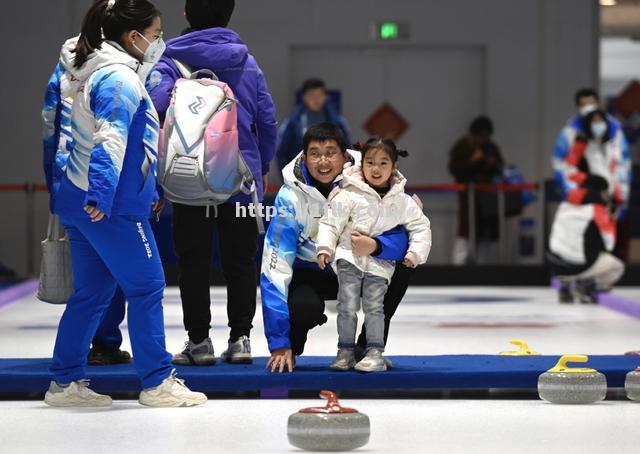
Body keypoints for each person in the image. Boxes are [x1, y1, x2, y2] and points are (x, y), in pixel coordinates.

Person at [45, 0, 206, 407]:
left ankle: (64, 383)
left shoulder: (74, 70)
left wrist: (67, 190)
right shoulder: (118, 77)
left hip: (76, 197)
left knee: (93, 292)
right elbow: (111, 137)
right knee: (147, 285)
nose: (158, 43)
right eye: (154, 35)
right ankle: (156, 382)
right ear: (131, 37)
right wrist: (102, 192)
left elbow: (53, 131)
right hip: (109, 203)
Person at [147, 0, 277, 365]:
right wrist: (262, 164)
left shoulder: (168, 61)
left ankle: (199, 342)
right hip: (240, 180)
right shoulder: (247, 63)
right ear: (229, 15)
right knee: (241, 260)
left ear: (187, 15)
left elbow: (155, 110)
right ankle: (240, 340)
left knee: (192, 261)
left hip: (188, 180)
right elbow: (267, 120)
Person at [261, 122, 415, 373]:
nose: (323, 162)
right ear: (304, 156)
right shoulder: (291, 198)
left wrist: (376, 246)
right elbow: (274, 267)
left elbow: (406, 236)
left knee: (403, 267)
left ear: (345, 156)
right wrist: (280, 342)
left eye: (330, 152)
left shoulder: (372, 177)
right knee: (303, 307)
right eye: (315, 153)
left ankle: (368, 347)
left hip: (359, 266)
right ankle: (292, 348)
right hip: (313, 272)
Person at [42, 34, 130, 366]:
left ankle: (73, 363)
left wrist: (54, 181)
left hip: (69, 181)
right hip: (109, 185)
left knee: (89, 279)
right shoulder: (119, 70)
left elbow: (49, 125)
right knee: (127, 276)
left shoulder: (64, 67)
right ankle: (106, 345)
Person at [316, 138, 431, 372]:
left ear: (394, 166)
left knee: (374, 307)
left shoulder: (401, 200)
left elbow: (420, 226)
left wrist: (415, 253)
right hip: (349, 258)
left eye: (382, 163)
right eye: (370, 162)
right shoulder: (348, 193)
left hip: (380, 264)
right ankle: (345, 351)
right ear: (362, 164)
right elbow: (330, 223)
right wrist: (325, 248)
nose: (375, 169)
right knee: (346, 305)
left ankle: (374, 351)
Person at [549, 108, 628, 303]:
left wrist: (616, 196)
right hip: (593, 196)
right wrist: (589, 180)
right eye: (594, 121)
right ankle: (586, 283)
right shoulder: (581, 144)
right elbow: (569, 169)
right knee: (604, 250)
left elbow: (616, 173)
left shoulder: (611, 146)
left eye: (601, 121)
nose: (598, 125)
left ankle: (568, 281)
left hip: (592, 197)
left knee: (575, 238)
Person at [552, 88, 631, 259]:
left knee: (609, 239)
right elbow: (564, 167)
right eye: (584, 105)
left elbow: (623, 165)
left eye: (592, 104)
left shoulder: (615, 131)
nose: (588, 109)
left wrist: (621, 196)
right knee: (576, 237)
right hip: (584, 195)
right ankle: (573, 274)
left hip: (609, 196)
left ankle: (605, 275)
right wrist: (578, 190)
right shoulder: (573, 135)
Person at [448, 116, 505, 264]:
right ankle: (459, 265)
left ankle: (483, 266)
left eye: (486, 136)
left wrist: (493, 163)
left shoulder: (491, 148)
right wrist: (473, 160)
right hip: (468, 196)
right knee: (465, 231)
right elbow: (453, 168)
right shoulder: (462, 146)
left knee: (485, 232)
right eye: (481, 135)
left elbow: (501, 167)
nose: (483, 139)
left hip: (487, 197)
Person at [275, 78, 351, 173]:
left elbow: (348, 150)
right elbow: (282, 153)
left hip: (333, 174)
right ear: (304, 97)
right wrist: (288, 176)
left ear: (325, 97)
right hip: (301, 175)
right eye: (312, 95)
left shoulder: (338, 122)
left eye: (319, 95)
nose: (316, 99)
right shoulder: (292, 123)